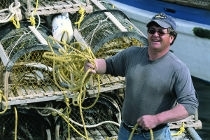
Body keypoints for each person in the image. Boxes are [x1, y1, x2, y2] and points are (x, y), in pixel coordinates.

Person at [85, 12, 198, 140]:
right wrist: (94, 65)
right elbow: (108, 65)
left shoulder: (178, 69)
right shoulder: (132, 54)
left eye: (161, 32)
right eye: (152, 30)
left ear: (171, 38)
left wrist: (156, 119)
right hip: (125, 132)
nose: (155, 35)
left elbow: (190, 105)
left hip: (154, 135)